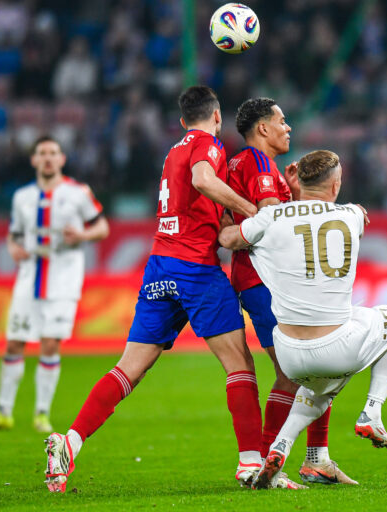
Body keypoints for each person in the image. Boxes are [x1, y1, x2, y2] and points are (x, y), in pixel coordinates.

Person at [44, 85, 269, 493]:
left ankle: (69, 443)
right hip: (195, 268)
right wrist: (250, 211)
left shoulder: (173, 151)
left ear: (182, 120)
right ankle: (251, 463)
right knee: (240, 365)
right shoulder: (209, 147)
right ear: (216, 117)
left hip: (159, 266)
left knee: (129, 368)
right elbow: (203, 181)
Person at [218, 150, 387, 489]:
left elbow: (229, 239)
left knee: (322, 385)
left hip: (290, 352)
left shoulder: (272, 217)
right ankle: (373, 411)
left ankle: (281, 448)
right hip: (336, 344)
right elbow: (330, 217)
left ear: (298, 181)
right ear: (336, 184)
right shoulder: (352, 214)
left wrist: (222, 215)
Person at [226, 98, 356, 486]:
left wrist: (293, 190)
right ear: (263, 128)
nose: (289, 128)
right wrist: (296, 195)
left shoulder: (245, 164)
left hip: (263, 279)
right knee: (294, 372)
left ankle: (314, 458)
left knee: (313, 368)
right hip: (264, 280)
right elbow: (272, 224)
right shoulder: (259, 164)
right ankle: (273, 463)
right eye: (282, 121)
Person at [0, 136, 109, 434]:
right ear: (34, 160)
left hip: (64, 275)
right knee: (14, 342)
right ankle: (3, 412)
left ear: (62, 159)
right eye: (42, 153)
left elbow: (102, 226)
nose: (48, 158)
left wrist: (83, 236)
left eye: (53, 153)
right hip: (30, 274)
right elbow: (14, 234)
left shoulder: (78, 192)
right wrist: (13, 247)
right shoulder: (22, 197)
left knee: (50, 342)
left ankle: (41, 414)